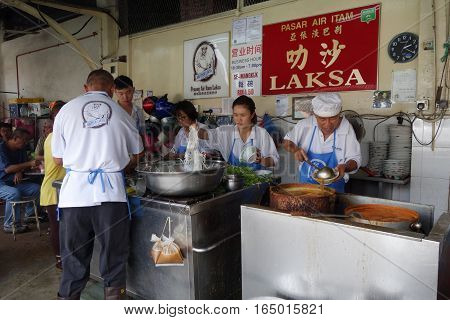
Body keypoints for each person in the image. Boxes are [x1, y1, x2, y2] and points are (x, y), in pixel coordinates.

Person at [52, 69, 143, 300]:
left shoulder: (65, 111)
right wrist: (119, 160)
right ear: (112, 89)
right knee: (114, 256)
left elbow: (58, 159)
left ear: (86, 87)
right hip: (111, 196)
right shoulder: (123, 115)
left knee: (73, 257)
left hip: (74, 196)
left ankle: (68, 301)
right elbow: (138, 153)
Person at [283, 92, 361, 192]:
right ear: (315, 115)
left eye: (333, 118)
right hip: (305, 190)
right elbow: (287, 142)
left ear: (339, 113)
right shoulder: (305, 124)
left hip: (334, 192)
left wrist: (345, 167)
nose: (328, 124)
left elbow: (355, 159)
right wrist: (295, 149)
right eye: (322, 119)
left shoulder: (346, 128)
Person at [199, 95, 279, 169]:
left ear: (252, 115)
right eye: (235, 115)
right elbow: (207, 135)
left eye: (243, 115)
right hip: (234, 180)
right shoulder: (227, 132)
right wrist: (193, 129)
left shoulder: (261, 134)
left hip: (257, 182)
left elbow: (274, 160)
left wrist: (262, 160)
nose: (238, 119)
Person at [39, 101, 66, 270]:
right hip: (53, 190)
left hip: (61, 189)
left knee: (62, 227)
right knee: (56, 227)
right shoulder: (54, 137)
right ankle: (59, 260)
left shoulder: (58, 135)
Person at [0, 128, 41, 233]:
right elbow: (8, 169)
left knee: (37, 189)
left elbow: (21, 167)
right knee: (14, 194)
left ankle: (29, 215)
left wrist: (19, 170)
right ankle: (9, 224)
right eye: (24, 140)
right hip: (2, 183)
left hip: (13, 182)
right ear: (15, 138)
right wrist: (27, 164)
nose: (26, 143)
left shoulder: (21, 149)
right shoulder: (2, 149)